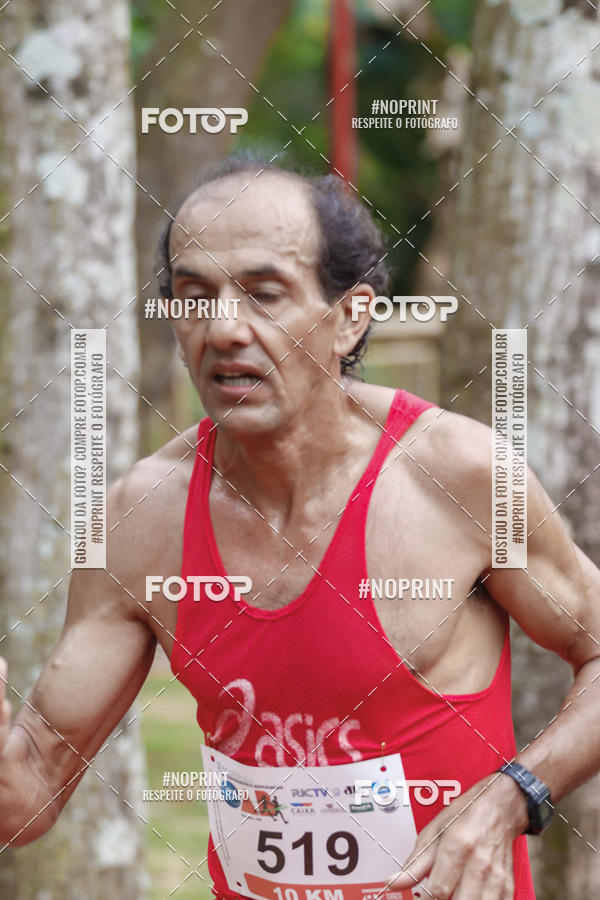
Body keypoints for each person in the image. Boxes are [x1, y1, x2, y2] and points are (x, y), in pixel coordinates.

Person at [1, 156, 600, 900]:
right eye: (194, 297)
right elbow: (25, 795)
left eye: (263, 294)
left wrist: (513, 796)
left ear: (350, 316)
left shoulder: (457, 477)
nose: (223, 328)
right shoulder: (140, 521)